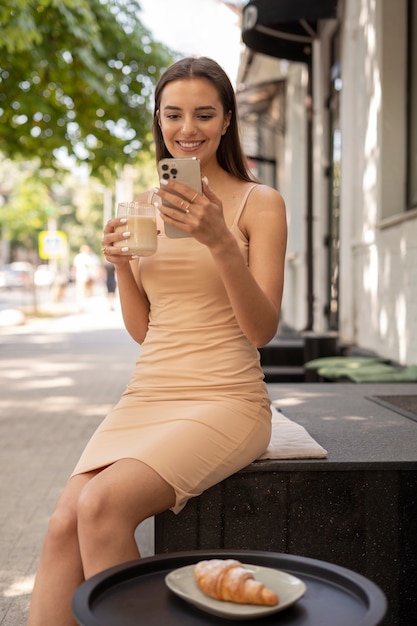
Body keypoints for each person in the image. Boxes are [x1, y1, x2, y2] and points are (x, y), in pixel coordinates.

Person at [27, 56, 287, 625]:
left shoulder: (256, 203)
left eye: (202, 114)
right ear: (158, 121)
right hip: (148, 394)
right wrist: (121, 266)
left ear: (225, 121)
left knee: (100, 507)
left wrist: (221, 241)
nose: (187, 129)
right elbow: (146, 331)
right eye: (173, 115)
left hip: (225, 397)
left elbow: (262, 330)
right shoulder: (144, 206)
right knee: (61, 525)